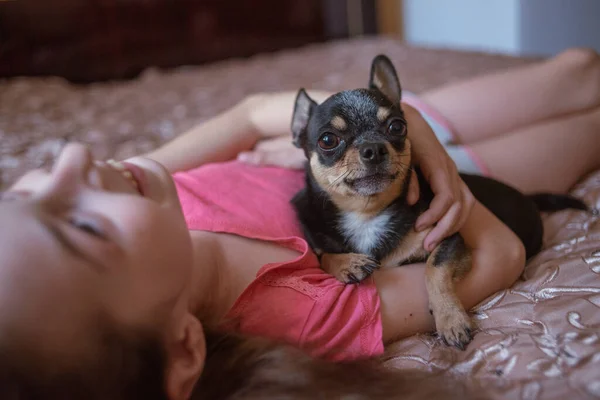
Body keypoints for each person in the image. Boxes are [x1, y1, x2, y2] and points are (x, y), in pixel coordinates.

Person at [0, 48, 598, 399]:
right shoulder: (293, 314)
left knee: (579, 67)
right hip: (465, 186)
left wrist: (407, 126)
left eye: (23, 194)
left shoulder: (145, 185)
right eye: (83, 230)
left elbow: (253, 112)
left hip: (376, 129)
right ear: (182, 346)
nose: (73, 163)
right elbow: (498, 259)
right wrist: (449, 181)